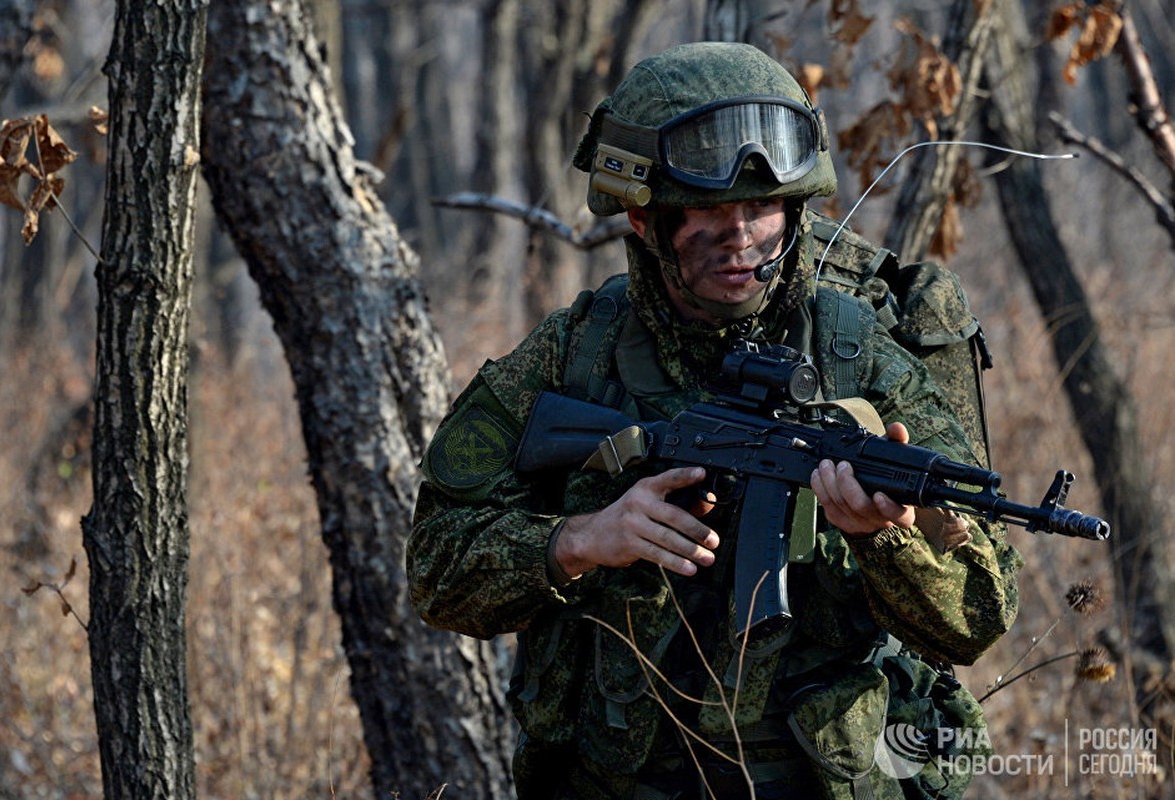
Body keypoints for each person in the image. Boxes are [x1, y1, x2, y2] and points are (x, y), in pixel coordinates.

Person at [408, 41, 1022, 800]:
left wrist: (885, 541)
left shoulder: (859, 355)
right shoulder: (576, 355)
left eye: (762, 208)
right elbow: (435, 568)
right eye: (708, 212)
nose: (741, 238)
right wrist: (579, 541)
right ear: (643, 218)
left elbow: (977, 617)